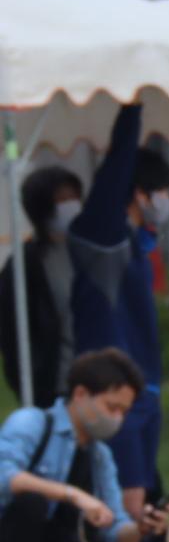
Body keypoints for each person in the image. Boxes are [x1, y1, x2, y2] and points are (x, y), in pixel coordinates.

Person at [0, 349, 169, 542]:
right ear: (80, 394)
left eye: (124, 412)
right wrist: (74, 495)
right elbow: (5, 475)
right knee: (32, 503)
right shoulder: (32, 422)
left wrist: (142, 527)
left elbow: (114, 533)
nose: (116, 419)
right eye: (111, 407)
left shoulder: (100, 455)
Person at [64, 105, 169, 536]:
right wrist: (132, 105)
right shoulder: (102, 239)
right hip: (113, 395)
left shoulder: (137, 242)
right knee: (124, 505)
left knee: (144, 506)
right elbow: (116, 167)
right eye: (161, 190)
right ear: (138, 191)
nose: (165, 200)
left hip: (144, 390)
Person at [0, 164, 85, 408]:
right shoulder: (26, 264)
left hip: (96, 381)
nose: (71, 205)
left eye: (74, 197)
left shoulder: (86, 252)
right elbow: (11, 332)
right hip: (53, 388)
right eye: (62, 199)